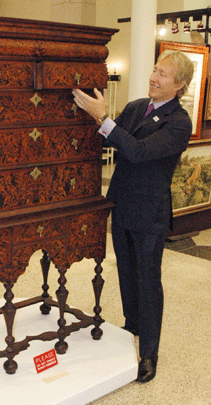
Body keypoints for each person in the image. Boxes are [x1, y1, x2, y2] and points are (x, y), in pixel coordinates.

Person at [72, 50, 194, 383]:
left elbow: (139, 152)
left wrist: (104, 119)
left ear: (179, 84)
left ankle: (149, 353)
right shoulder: (138, 106)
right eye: (155, 69)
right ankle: (131, 326)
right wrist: (96, 120)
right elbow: (113, 141)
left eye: (164, 74)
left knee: (148, 280)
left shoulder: (179, 122)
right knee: (125, 271)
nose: (154, 77)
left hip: (150, 213)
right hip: (121, 205)